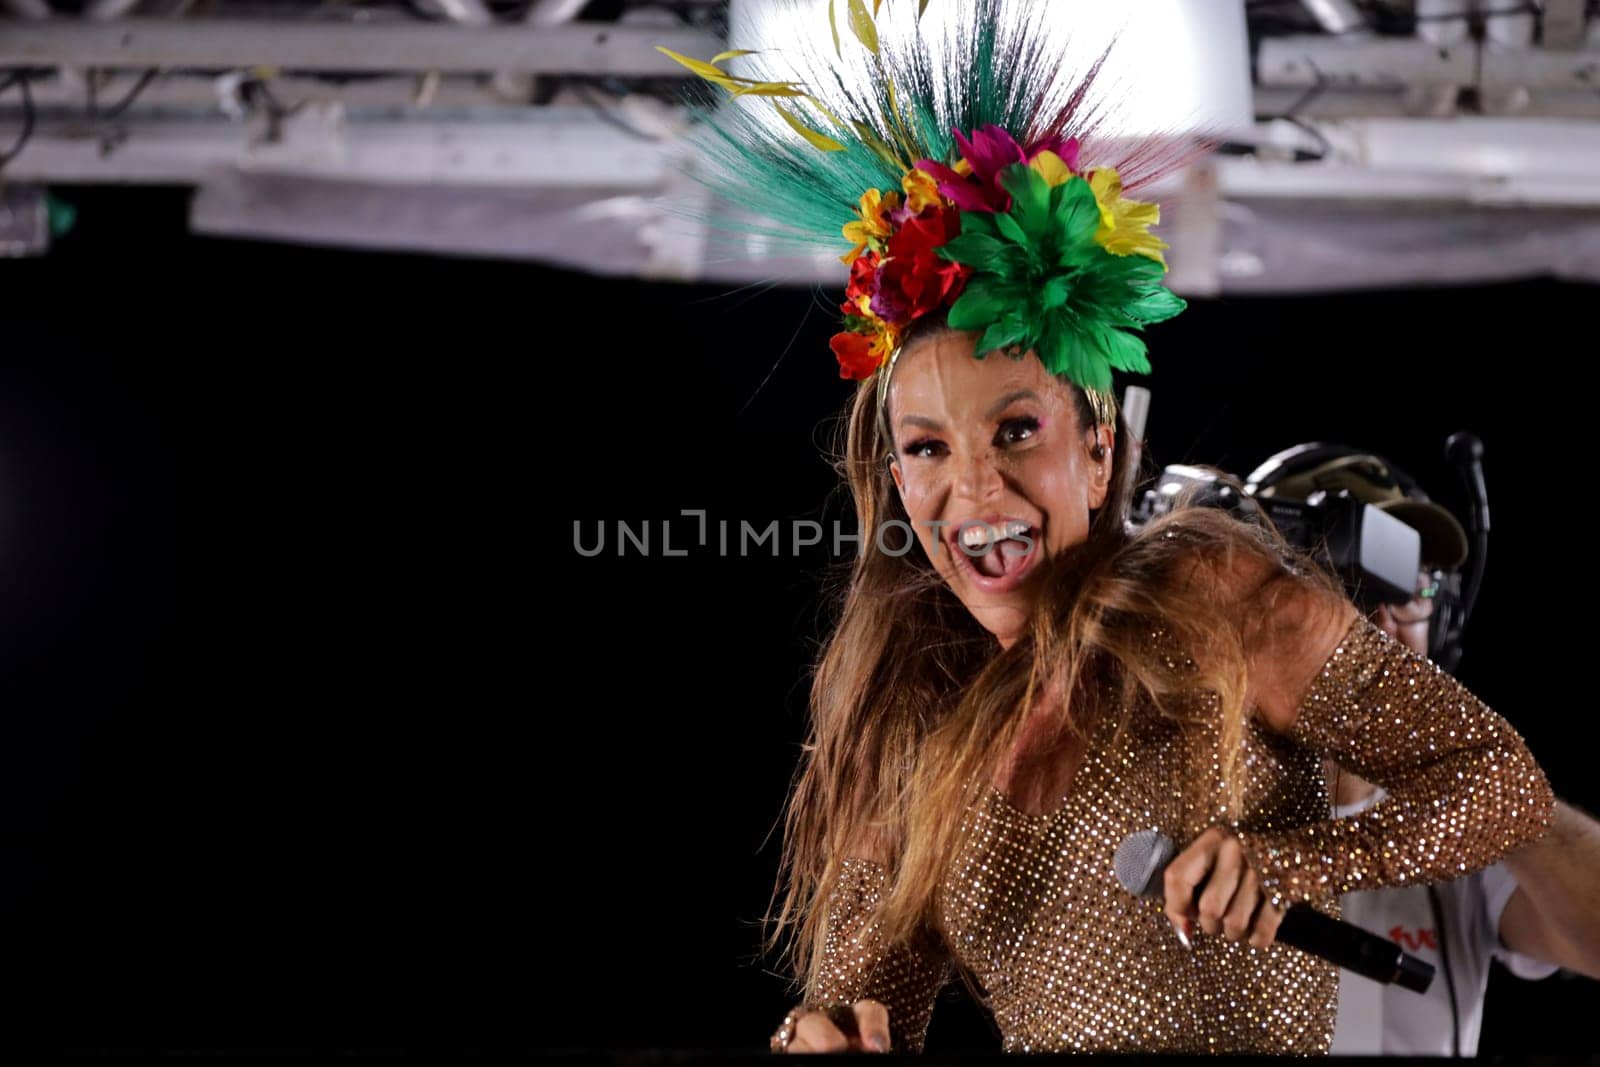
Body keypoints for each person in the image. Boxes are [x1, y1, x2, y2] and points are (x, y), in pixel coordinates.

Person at [662, 0, 1555, 1053]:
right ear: (892, 473)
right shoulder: (914, 718)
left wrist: (1292, 861)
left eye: (1016, 429)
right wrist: (824, 1034)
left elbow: (1498, 782)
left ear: (1097, 446)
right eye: (927, 448)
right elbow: (869, 1003)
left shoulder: (1212, 592)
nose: (974, 488)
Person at [1247, 447, 1600, 1055]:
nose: (1384, 624)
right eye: (1353, 580)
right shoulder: (1173, 795)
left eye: (1411, 587)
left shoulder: (1467, 824)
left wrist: (1490, 782)